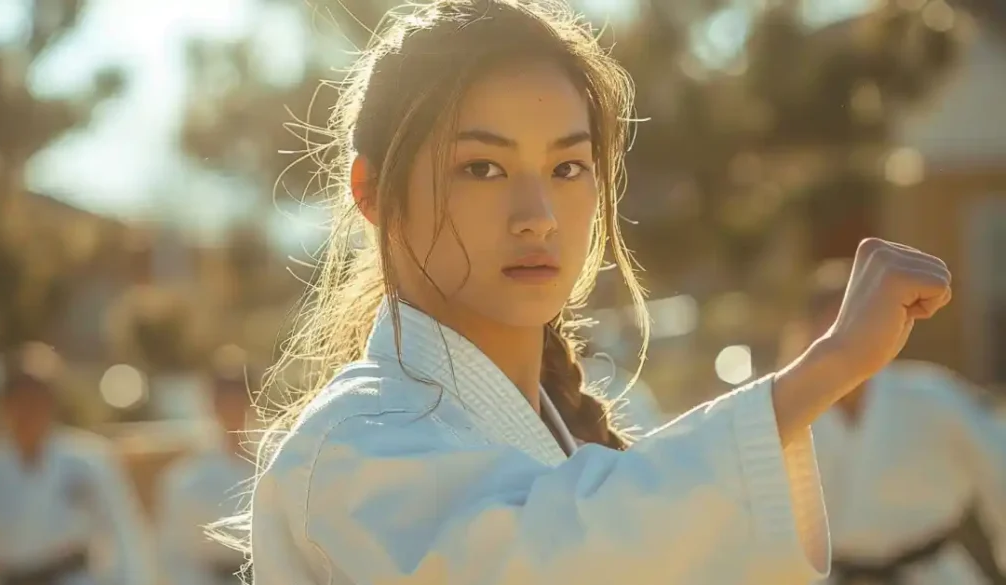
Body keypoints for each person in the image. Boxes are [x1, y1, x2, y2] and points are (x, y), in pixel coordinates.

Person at [238, 1, 954, 583]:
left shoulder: (584, 441)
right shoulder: (350, 443)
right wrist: (820, 374)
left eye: (568, 167)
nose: (538, 215)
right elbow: (543, 556)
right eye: (482, 168)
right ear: (373, 193)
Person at [787, 259, 1006, 585]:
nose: (846, 338)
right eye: (832, 324)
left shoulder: (931, 394)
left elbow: (999, 470)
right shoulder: (790, 415)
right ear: (808, 331)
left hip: (933, 573)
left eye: (856, 322)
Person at [0, 342, 152, 585]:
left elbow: (124, 533)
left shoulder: (88, 458)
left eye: (37, 399)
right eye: (20, 400)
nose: (29, 411)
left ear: (52, 403)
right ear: (5, 405)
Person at [156, 346, 256, 585]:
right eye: (225, 396)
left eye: (238, 394)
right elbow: (175, 554)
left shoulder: (274, 464)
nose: (232, 404)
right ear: (212, 403)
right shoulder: (187, 478)